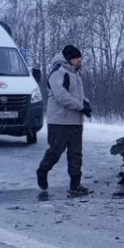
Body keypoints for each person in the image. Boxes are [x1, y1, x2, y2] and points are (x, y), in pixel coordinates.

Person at [36, 45, 92, 197]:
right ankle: (43, 170)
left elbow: (79, 95)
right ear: (68, 58)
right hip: (59, 121)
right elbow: (62, 96)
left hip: (75, 121)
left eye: (80, 58)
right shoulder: (58, 72)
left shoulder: (75, 74)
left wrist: (86, 103)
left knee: (76, 154)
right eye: (76, 58)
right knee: (55, 151)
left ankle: (75, 185)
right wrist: (80, 106)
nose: (79, 60)